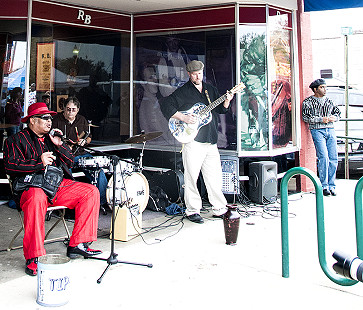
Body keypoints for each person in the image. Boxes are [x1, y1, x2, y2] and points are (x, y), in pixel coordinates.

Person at [3, 102, 102, 276]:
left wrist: (59, 144)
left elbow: (70, 161)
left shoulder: (52, 139)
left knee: (90, 192)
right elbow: (11, 166)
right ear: (32, 121)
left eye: (50, 118)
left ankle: (77, 244)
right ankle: (34, 257)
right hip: (31, 187)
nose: (50, 121)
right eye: (45, 118)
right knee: (36, 198)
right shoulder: (15, 140)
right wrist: (37, 162)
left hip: (56, 186)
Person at [160, 60, 234, 223]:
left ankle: (219, 208)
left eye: (199, 73)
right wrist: (183, 117)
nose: (197, 76)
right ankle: (192, 210)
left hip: (210, 140)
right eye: (194, 74)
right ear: (189, 74)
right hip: (193, 141)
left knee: (214, 176)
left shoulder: (210, 90)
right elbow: (166, 105)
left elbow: (221, 109)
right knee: (191, 177)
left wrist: (227, 100)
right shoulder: (183, 92)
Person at [52, 97, 108, 211]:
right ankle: (69, 206)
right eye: (68, 109)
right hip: (64, 156)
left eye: (73, 109)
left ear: (78, 110)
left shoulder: (82, 120)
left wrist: (84, 142)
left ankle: (101, 203)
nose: (70, 112)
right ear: (63, 108)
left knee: (98, 171)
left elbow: (89, 138)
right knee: (68, 175)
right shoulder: (56, 120)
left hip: (81, 154)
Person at [302, 78, 341, 196]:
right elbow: (306, 118)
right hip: (317, 130)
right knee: (323, 157)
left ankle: (331, 185)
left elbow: (337, 113)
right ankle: (324, 185)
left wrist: (334, 118)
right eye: (322, 87)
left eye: (325, 87)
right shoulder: (307, 102)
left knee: (333, 157)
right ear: (315, 89)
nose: (325, 89)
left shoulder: (329, 101)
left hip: (330, 129)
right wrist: (321, 119)